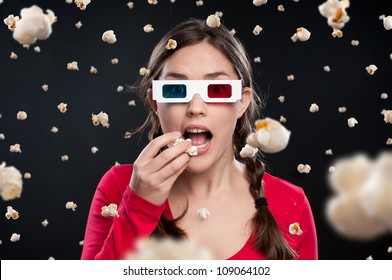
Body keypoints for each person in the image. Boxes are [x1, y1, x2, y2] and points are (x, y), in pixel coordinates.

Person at [81, 18, 318, 260]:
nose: (195, 107)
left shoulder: (291, 203)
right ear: (155, 102)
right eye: (176, 90)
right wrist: (139, 205)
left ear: (242, 102)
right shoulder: (121, 188)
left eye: (217, 90)